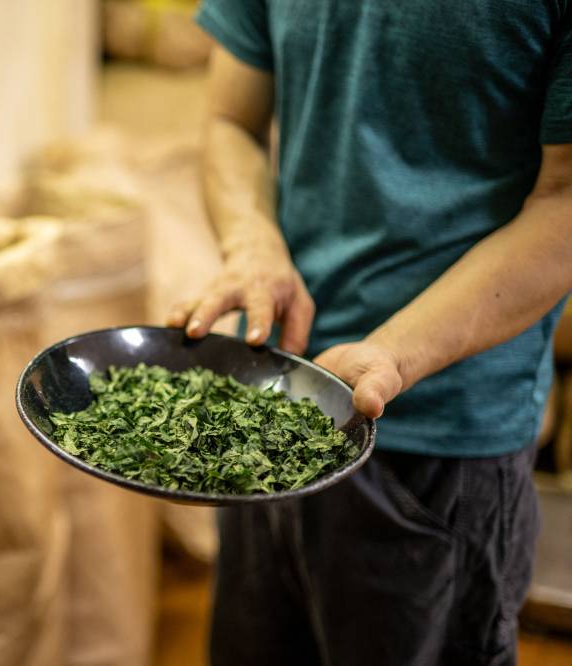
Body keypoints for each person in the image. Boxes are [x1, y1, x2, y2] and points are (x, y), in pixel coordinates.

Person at [166, 2, 572, 665]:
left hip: (439, 449)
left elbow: (565, 205)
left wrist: (395, 353)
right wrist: (252, 246)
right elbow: (230, 120)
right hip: (267, 398)